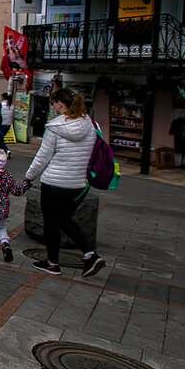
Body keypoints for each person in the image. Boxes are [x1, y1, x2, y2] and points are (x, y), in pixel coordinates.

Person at [22, 88, 106, 277]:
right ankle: (90, 255)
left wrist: (29, 176)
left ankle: (53, 263)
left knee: (52, 222)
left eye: (54, 103)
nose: (53, 107)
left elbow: (43, 156)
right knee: (65, 219)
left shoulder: (55, 126)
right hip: (78, 184)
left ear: (60, 103)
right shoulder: (92, 125)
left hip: (54, 183)